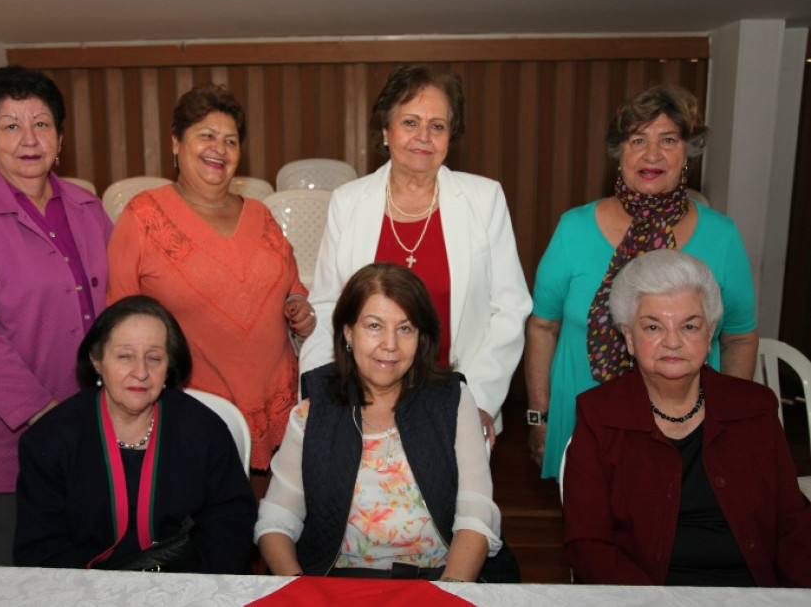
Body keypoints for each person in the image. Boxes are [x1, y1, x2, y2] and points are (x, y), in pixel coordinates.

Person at [0, 66, 112, 565]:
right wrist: (43, 413)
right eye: (9, 126)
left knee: (88, 564)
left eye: (42, 123)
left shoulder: (88, 208)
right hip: (8, 432)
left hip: (93, 424)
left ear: (60, 137)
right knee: (12, 576)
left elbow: (118, 303)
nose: (28, 139)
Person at [525, 85, 758, 480]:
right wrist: (538, 416)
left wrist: (728, 423)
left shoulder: (722, 236)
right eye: (638, 140)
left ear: (688, 152)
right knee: (591, 536)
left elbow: (738, 337)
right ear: (620, 153)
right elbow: (543, 326)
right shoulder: (574, 229)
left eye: (668, 140)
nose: (652, 154)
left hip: (691, 428)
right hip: (583, 421)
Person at [299, 64, 531, 442]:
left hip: (457, 402)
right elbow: (328, 305)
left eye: (437, 126)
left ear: (450, 136)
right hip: (361, 405)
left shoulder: (484, 199)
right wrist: (320, 395)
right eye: (410, 122)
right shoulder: (348, 202)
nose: (424, 136)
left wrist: (480, 399)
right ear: (386, 131)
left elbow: (510, 308)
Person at [257, 263, 519, 582]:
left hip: (440, 579)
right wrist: (299, 591)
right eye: (374, 326)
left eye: (405, 328)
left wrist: (449, 595)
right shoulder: (315, 410)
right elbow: (277, 518)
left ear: (421, 336)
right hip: (339, 584)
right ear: (348, 332)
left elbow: (476, 517)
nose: (391, 345)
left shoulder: (452, 400)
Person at [563, 250, 811, 586]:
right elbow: (588, 546)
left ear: (709, 335)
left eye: (689, 325)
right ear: (629, 338)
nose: (673, 341)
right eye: (653, 326)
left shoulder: (755, 407)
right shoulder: (599, 415)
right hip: (647, 597)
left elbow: (793, 522)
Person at [106, 83, 314, 478]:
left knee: (274, 526)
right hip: (191, 412)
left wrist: (301, 308)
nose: (219, 148)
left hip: (278, 411)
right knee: (211, 528)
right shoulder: (143, 216)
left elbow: (294, 287)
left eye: (230, 140)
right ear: (175, 143)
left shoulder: (261, 215)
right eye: (206, 135)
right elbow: (119, 317)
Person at [14, 295, 257, 571]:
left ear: (169, 367)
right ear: (97, 361)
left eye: (154, 358)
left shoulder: (205, 432)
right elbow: (40, 550)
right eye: (125, 356)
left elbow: (229, 530)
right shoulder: (50, 439)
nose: (141, 372)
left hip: (184, 585)